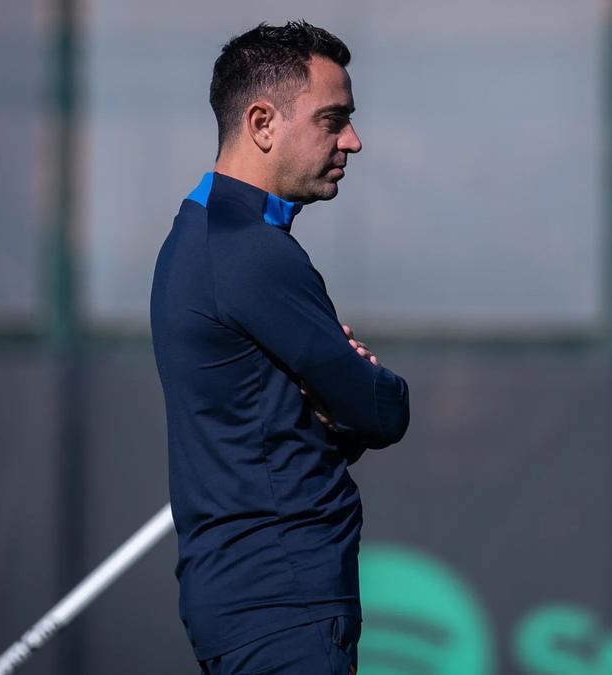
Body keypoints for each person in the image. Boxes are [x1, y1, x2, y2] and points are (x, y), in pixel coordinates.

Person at [149, 20, 410, 674]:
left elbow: (312, 417)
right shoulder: (251, 256)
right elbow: (381, 411)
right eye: (333, 119)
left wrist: (330, 400)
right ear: (263, 122)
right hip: (281, 603)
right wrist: (362, 384)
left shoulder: (200, 232)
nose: (353, 140)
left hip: (249, 598)